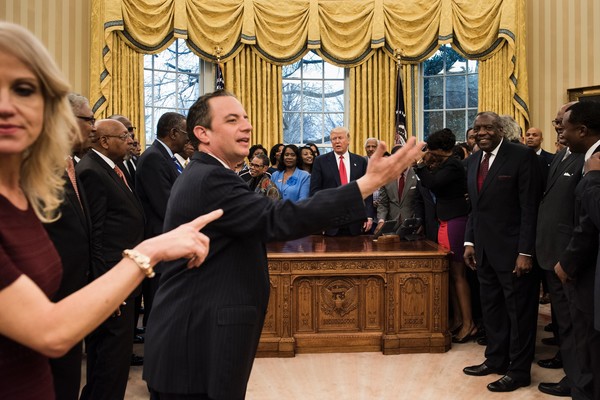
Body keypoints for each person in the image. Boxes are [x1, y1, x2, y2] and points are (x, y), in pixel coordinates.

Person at [143, 90, 426, 399]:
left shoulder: (210, 173)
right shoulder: (210, 178)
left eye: (247, 119)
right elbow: (277, 218)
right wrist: (364, 185)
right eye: (232, 119)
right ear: (202, 133)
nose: (247, 127)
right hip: (196, 343)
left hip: (199, 335)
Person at [0, 21, 219, 400]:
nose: (7, 106)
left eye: (24, 89)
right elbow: (49, 331)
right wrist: (149, 252)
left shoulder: (25, 188)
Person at [463, 111, 542, 392]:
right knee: (492, 310)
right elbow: (475, 207)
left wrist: (525, 252)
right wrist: (469, 243)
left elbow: (529, 208)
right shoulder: (472, 161)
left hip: (514, 254)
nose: (481, 132)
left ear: (500, 130)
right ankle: (495, 359)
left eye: (488, 127)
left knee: (519, 314)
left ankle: (519, 371)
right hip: (483, 252)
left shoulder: (521, 156)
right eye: (477, 128)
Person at [43, 93, 96, 400]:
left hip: (74, 301)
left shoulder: (72, 167)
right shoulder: (40, 170)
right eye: (88, 119)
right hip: (52, 306)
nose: (94, 127)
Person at [535, 101, 589, 398]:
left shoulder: (588, 158)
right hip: (552, 253)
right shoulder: (562, 155)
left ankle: (578, 381)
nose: (558, 126)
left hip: (569, 258)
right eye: (556, 121)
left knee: (574, 326)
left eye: (562, 122)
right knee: (564, 324)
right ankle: (573, 374)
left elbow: (582, 215)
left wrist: (569, 258)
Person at [555, 101, 600, 400]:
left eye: (565, 128)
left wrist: (567, 263)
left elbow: (590, 221)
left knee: (587, 345)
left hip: (588, 270)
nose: (560, 134)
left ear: (582, 130)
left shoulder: (596, 161)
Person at [415, 129, 474, 343]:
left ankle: (469, 324)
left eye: (431, 148)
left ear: (441, 150)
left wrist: (418, 165)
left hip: (455, 222)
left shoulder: (454, 164)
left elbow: (433, 184)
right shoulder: (445, 165)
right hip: (446, 221)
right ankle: (458, 319)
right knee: (451, 274)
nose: (428, 152)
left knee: (459, 275)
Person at [135, 112, 188, 332]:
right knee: (158, 303)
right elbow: (165, 205)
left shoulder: (165, 157)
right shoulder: (154, 158)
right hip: (160, 240)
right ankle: (157, 354)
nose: (188, 139)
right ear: (174, 133)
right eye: (186, 132)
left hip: (167, 241)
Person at [310, 127, 374, 235]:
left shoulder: (360, 161)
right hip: (330, 222)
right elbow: (315, 191)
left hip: (355, 222)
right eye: (334, 139)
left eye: (340, 138)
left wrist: (368, 215)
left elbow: (367, 190)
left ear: (348, 140)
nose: (337, 141)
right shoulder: (320, 161)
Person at [375, 144, 419, 229]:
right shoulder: (387, 177)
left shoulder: (417, 175)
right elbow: (383, 203)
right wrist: (381, 220)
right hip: (391, 225)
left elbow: (420, 203)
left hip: (412, 225)